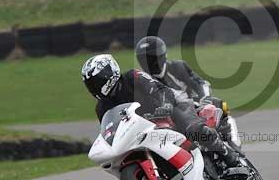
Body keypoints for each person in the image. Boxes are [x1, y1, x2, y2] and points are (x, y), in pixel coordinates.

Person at [81, 54, 239, 171]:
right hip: (144, 131)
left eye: (97, 82)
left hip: (172, 108)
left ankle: (228, 155)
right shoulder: (101, 108)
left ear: (110, 74)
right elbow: (111, 130)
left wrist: (164, 105)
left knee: (193, 129)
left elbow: (159, 89)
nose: (94, 87)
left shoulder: (131, 77)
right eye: (90, 84)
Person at [134, 36, 211, 102]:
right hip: (161, 116)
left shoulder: (178, 67)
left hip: (190, 109)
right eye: (144, 59)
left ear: (161, 56)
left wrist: (204, 100)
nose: (148, 63)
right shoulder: (141, 78)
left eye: (151, 59)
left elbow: (200, 84)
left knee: (219, 104)